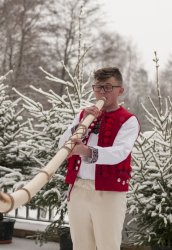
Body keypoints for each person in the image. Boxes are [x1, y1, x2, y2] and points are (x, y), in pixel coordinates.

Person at [58, 67, 140, 250]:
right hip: (78, 188)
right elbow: (62, 145)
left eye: (108, 87)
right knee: (81, 245)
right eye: (98, 87)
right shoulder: (83, 114)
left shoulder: (128, 120)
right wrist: (80, 123)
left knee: (107, 245)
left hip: (108, 192)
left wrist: (87, 151)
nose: (102, 92)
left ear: (120, 90)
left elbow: (119, 153)